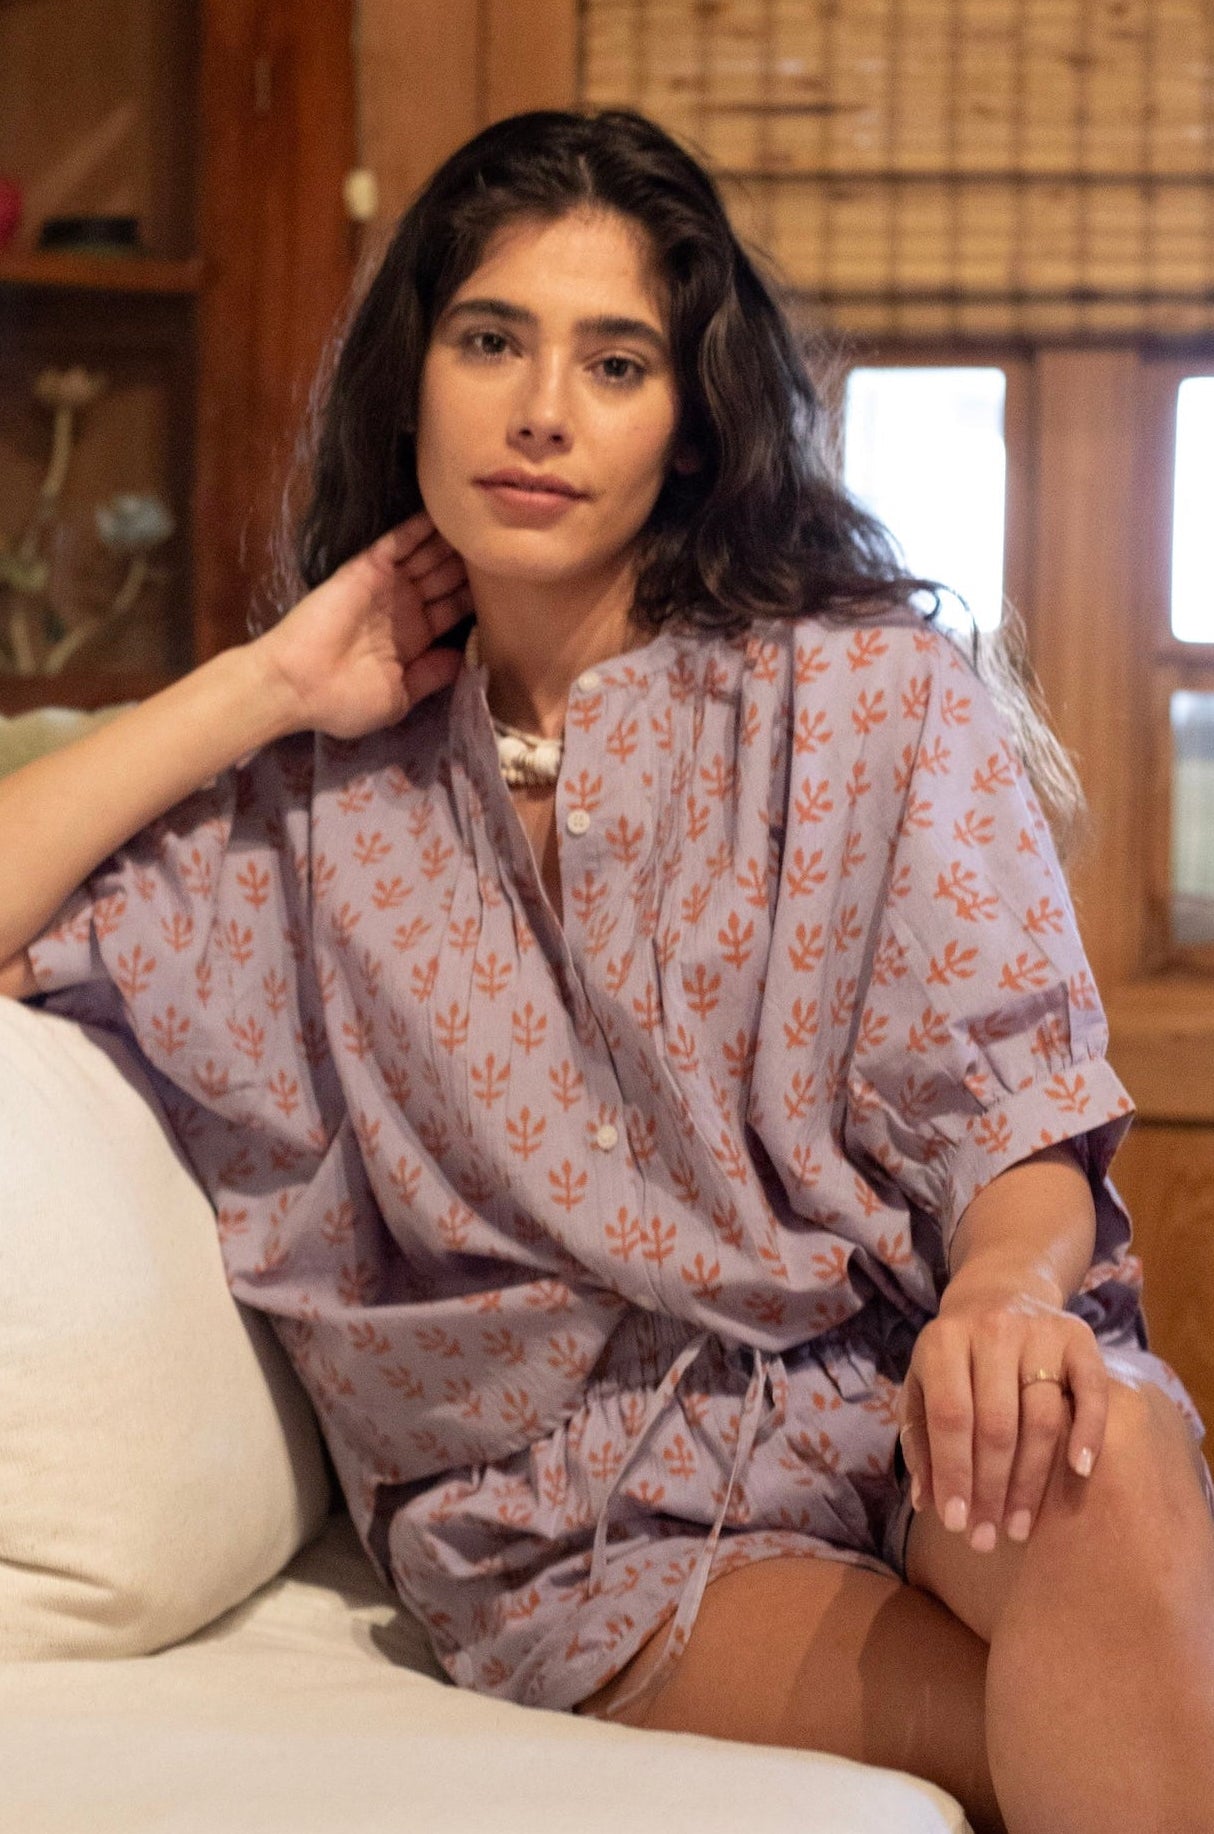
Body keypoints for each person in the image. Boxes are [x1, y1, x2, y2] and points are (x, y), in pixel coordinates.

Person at [1, 106, 1212, 1834]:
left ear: (688, 421)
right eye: (490, 341)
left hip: (901, 1386)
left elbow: (1010, 1114)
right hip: (589, 1515)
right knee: (1110, 1728)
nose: (542, 411)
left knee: (1116, 1455)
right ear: (410, 381)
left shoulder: (868, 699)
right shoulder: (291, 820)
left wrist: (1005, 1295)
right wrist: (264, 682)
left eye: (616, 361)